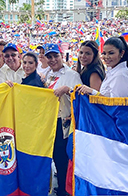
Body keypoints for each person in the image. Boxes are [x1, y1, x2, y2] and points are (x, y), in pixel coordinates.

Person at [44, 43, 82, 196]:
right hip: (49, 121)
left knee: (62, 159)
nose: (53, 60)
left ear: (61, 56)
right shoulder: (47, 74)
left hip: (63, 122)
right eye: (49, 57)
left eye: (55, 56)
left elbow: (79, 96)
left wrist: (67, 90)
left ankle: (64, 191)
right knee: (52, 155)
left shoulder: (71, 75)